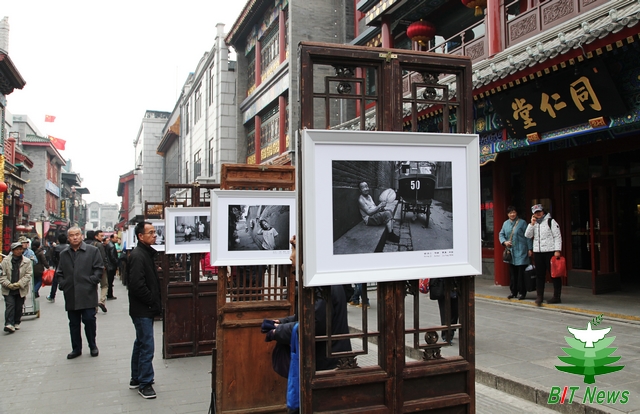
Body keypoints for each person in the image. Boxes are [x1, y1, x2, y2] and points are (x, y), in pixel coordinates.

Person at [264, 235, 351, 371]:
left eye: (294, 250)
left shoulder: (321, 284)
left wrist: (278, 331)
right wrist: (282, 322)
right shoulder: (318, 279)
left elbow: (314, 324)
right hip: (328, 357)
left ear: (306, 253)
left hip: (328, 363)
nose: (290, 257)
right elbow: (307, 315)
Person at [56, 227, 104, 359]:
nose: (75, 237)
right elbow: (59, 272)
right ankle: (76, 348)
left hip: (87, 292)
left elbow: (99, 268)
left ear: (81, 236)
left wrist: (92, 280)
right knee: (73, 323)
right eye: (72, 235)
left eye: (77, 234)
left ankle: (92, 345)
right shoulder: (64, 254)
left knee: (89, 320)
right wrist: (63, 284)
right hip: (71, 293)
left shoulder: (92, 251)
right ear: (68, 238)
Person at [127, 221, 162, 399]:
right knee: (147, 345)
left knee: (141, 342)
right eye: (151, 232)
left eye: (155, 232)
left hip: (143, 307)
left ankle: (136, 377)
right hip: (142, 308)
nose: (154, 235)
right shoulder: (138, 255)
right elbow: (136, 285)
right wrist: (151, 301)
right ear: (140, 236)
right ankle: (145, 383)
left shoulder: (145, 253)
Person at [525, 203, 563, 306]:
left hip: (550, 251)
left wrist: (557, 250)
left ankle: (557, 296)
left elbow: (557, 236)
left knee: (554, 274)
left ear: (543, 211)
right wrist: (531, 224)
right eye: (535, 213)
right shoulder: (534, 224)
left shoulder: (551, 221)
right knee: (540, 275)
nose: (538, 214)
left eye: (539, 212)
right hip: (538, 252)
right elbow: (527, 235)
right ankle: (539, 296)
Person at [499, 206, 533, 300]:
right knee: (513, 274)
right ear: (508, 214)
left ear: (516, 213)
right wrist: (504, 242)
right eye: (510, 213)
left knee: (521, 273)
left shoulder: (522, 223)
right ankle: (513, 292)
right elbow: (501, 234)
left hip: (521, 250)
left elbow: (527, 236)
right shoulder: (505, 223)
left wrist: (530, 249)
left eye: (513, 212)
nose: (512, 214)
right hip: (511, 252)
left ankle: (522, 292)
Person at [1, 242, 33, 333]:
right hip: (8, 289)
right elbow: (2, 275)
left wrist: (19, 284)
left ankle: (16, 321)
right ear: (12, 251)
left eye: (20, 249)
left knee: (19, 306)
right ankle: (9, 323)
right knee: (10, 306)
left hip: (20, 288)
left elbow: (28, 275)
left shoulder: (26, 261)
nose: (19, 251)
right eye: (17, 249)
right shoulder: (5, 261)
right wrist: (8, 284)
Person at [429, 277, 458, 342]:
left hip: (454, 285)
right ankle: (446, 335)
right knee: (444, 312)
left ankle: (452, 329)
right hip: (442, 285)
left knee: (455, 311)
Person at [89, 230, 109, 312]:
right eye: (101, 236)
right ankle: (101, 301)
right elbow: (103, 257)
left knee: (94, 287)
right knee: (104, 285)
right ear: (96, 236)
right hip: (100, 268)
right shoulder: (100, 245)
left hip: (92, 268)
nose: (102, 237)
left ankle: (94, 306)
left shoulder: (90, 245)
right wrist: (105, 266)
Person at [46, 234, 68, 303]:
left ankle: (52, 296)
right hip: (68, 267)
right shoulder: (69, 247)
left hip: (58, 267)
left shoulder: (56, 248)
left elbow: (52, 257)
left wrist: (56, 264)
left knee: (55, 282)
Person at [105, 234, 119, 300]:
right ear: (112, 238)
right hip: (111, 266)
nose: (117, 239)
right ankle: (109, 294)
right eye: (116, 238)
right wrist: (116, 262)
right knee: (110, 281)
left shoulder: (109, 244)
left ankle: (109, 294)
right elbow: (112, 256)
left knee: (109, 281)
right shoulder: (112, 246)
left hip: (109, 265)